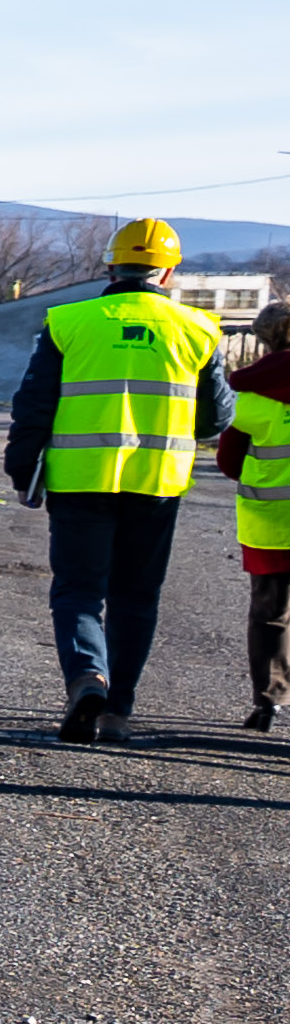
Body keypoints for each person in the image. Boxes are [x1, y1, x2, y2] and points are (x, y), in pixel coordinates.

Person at [3, 217, 229, 742]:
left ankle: (88, 678)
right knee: (137, 596)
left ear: (110, 265)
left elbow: (33, 405)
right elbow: (214, 419)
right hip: (157, 482)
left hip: (80, 479)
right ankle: (116, 711)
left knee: (79, 591)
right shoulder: (201, 330)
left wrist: (22, 470)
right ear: (168, 272)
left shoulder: (68, 322)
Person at [229, 311, 290, 729]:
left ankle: (269, 702)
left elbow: (230, 460)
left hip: (271, 523)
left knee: (271, 613)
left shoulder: (252, 397)